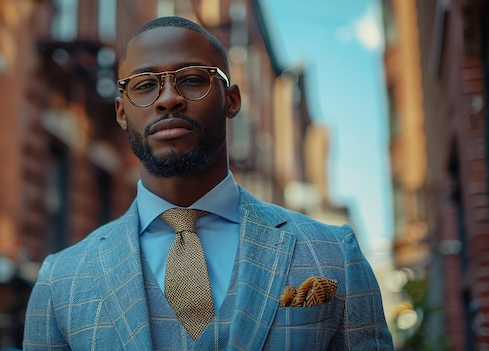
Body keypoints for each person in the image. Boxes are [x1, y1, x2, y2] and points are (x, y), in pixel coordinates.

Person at [23, 16, 393, 350]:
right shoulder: (62, 281)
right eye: (145, 85)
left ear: (231, 99)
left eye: (192, 79)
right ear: (122, 111)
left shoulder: (333, 255)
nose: (168, 99)